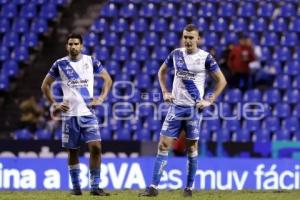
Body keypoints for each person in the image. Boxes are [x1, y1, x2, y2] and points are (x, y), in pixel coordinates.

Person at [139, 24, 227, 197]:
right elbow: (162, 72)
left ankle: (188, 188)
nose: (187, 40)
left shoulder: (206, 58)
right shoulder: (175, 54)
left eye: (191, 37)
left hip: (194, 110)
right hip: (176, 107)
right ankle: (153, 187)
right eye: (185, 37)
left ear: (198, 39)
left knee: (192, 148)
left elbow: (222, 81)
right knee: (163, 145)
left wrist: (209, 100)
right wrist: (165, 91)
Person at [41, 33, 112, 196]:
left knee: (96, 148)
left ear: (82, 46)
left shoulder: (91, 61)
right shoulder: (60, 64)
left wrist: (101, 98)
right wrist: (55, 103)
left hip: (88, 113)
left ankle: (95, 187)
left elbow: (108, 79)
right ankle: (76, 187)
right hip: (69, 116)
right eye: (70, 44)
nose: (73, 47)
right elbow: (45, 86)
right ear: (67, 46)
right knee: (73, 151)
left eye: (76, 44)